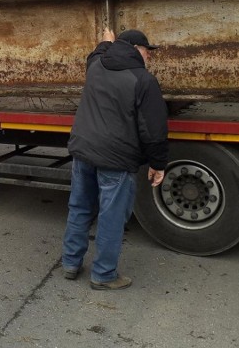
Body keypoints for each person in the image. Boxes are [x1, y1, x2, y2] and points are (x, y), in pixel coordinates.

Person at [61, 27, 168, 290]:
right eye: (146, 51)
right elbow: (154, 131)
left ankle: (70, 263)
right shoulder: (143, 80)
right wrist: (158, 164)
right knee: (111, 216)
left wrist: (106, 42)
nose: (149, 56)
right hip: (116, 158)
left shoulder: (96, 65)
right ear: (134, 50)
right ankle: (104, 275)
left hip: (83, 151)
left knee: (80, 207)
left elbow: (96, 53)